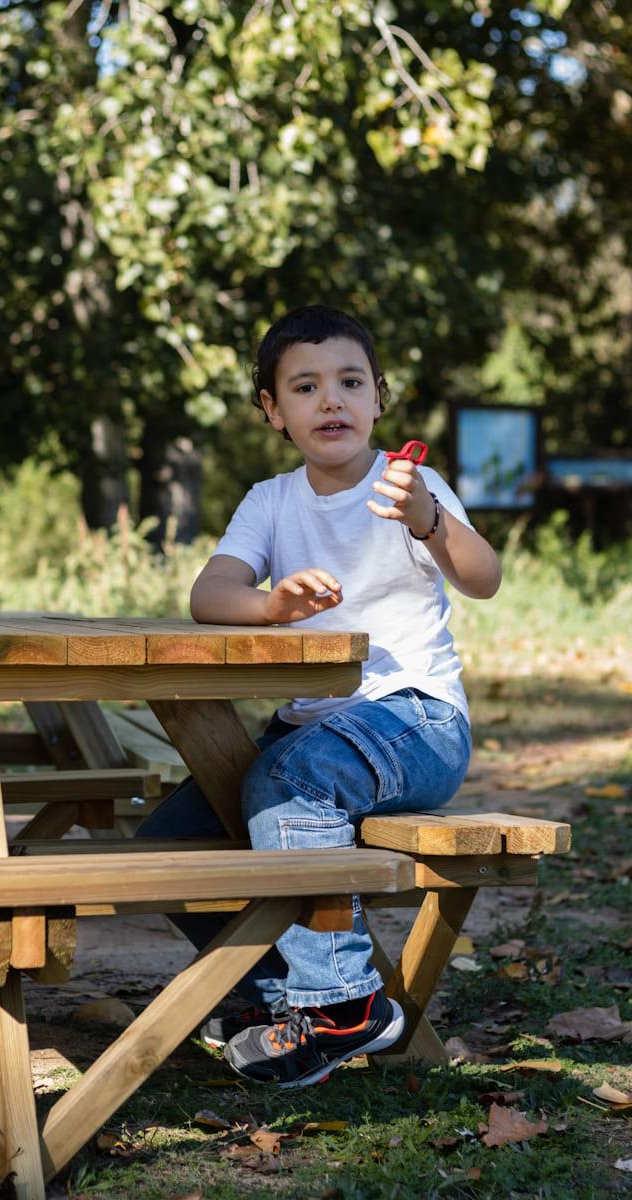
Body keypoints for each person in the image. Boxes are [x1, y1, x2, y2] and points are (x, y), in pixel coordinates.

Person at [137, 304, 501, 1088]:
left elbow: (483, 577)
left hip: (416, 721)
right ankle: (274, 1000)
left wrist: (429, 520)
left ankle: (343, 1006)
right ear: (273, 410)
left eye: (349, 382)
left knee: (289, 779)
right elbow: (211, 593)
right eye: (305, 386)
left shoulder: (409, 486)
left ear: (378, 398)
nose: (329, 400)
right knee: (167, 842)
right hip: (314, 728)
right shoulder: (271, 502)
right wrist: (269, 607)